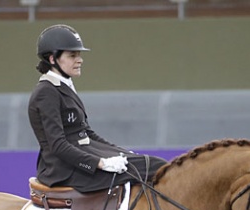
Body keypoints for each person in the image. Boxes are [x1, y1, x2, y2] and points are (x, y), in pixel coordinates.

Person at [28, 24, 168, 193]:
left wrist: (122, 153)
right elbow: (58, 146)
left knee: (151, 164)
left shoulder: (64, 86)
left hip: (84, 153)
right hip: (63, 169)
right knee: (147, 169)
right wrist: (100, 163)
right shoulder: (46, 92)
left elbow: (87, 134)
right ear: (52, 59)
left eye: (79, 55)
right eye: (72, 55)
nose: (79, 60)